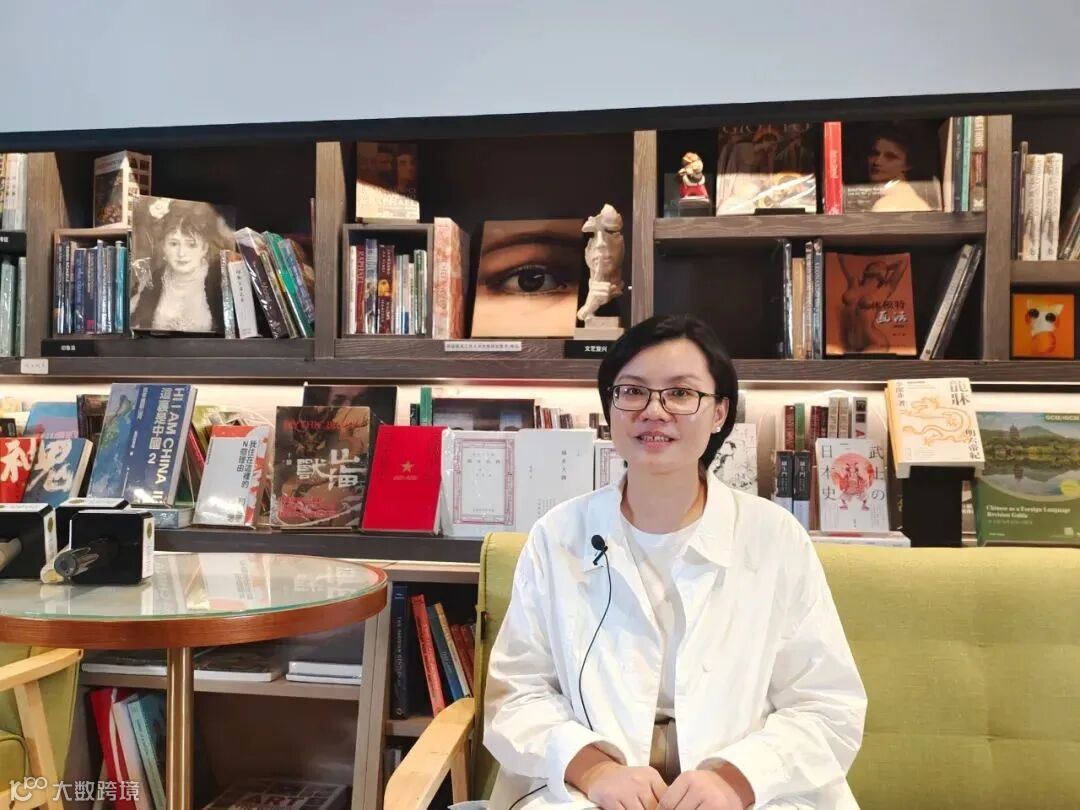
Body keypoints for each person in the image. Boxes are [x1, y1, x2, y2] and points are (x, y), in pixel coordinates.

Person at [484, 313, 866, 810]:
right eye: (632, 392)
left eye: (681, 393)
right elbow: (517, 695)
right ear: (610, 407)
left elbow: (826, 704)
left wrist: (735, 781)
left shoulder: (774, 538)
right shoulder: (558, 535)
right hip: (591, 789)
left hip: (747, 787)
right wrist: (596, 771)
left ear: (719, 412)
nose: (654, 411)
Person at [130, 200, 224, 334]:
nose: (181, 253)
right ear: (164, 246)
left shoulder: (219, 281)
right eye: (174, 244)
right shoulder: (155, 280)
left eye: (191, 245)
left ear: (204, 247)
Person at [837, 255, 908, 353]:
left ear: (884, 275)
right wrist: (883, 268)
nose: (881, 266)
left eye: (883, 267)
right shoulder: (854, 283)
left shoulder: (883, 291)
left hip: (875, 342)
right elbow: (841, 259)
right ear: (867, 270)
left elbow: (903, 263)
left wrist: (888, 267)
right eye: (877, 265)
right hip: (851, 345)